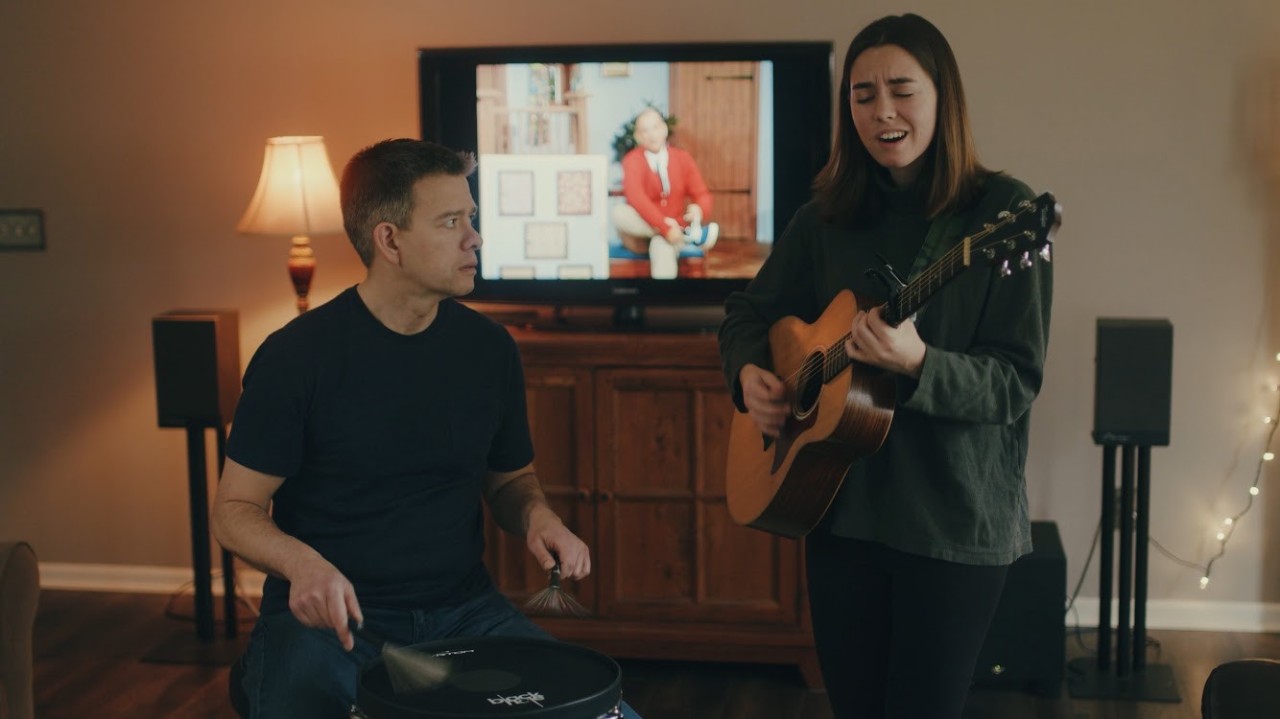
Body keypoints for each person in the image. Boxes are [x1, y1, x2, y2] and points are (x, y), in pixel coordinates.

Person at [212, 138, 639, 719]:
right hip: (332, 617)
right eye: (451, 222)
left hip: (466, 611)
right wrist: (302, 565)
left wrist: (541, 518)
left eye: (472, 219)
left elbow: (511, 482)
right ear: (389, 240)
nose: (476, 238)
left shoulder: (489, 349)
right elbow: (234, 510)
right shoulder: (296, 359)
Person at [717, 14, 1052, 719]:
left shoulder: (1003, 213)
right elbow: (748, 313)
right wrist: (751, 376)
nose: (882, 111)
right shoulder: (827, 217)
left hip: (952, 523)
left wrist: (920, 362)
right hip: (841, 514)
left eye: (902, 89)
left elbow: (1014, 383)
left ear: (942, 97)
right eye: (863, 95)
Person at [612, 106, 719, 279]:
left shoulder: (682, 158)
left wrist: (699, 209)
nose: (651, 134)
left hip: (667, 237)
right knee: (619, 213)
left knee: (661, 245)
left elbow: (702, 194)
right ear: (638, 137)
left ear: (664, 129)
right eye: (644, 131)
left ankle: (660, 302)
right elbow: (636, 199)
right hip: (639, 234)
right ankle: (688, 236)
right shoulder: (632, 160)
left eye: (655, 128)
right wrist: (666, 227)